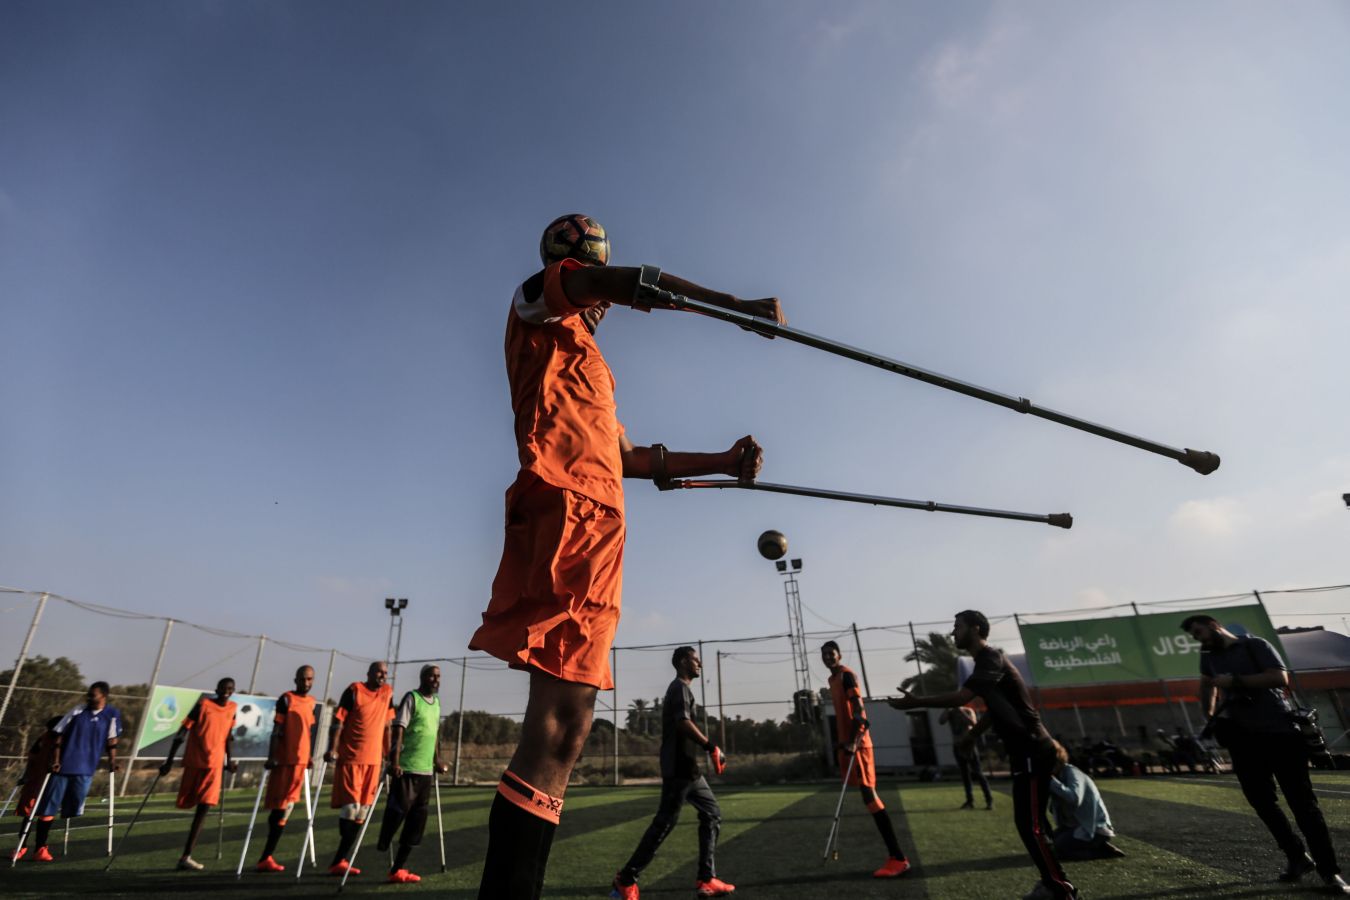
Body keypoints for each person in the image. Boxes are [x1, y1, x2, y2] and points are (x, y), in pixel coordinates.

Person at [468, 213, 784, 900]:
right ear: (570, 265)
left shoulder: (589, 357)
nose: (603, 297)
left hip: (602, 523)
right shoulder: (536, 304)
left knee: (569, 728)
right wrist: (728, 308)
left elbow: (628, 456)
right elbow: (623, 281)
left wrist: (726, 463)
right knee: (557, 726)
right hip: (566, 511)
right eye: (593, 276)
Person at [890, 610, 1078, 900]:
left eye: (957, 627)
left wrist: (917, 702)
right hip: (1025, 751)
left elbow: (962, 698)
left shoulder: (991, 657)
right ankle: (1052, 882)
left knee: (1032, 825)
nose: (953, 633)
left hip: (1031, 748)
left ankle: (1059, 888)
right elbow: (995, 710)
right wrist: (971, 735)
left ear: (975, 629)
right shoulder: (985, 664)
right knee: (1030, 824)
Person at [1182, 614, 1349, 893]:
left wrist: (1235, 681)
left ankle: (1330, 872)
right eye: (1194, 636)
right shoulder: (1208, 654)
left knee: (1303, 805)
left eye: (1199, 632)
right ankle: (1296, 856)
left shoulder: (1254, 646)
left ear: (1213, 626)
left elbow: (1278, 677)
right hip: (1243, 739)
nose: (1198, 639)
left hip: (1280, 733)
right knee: (1262, 803)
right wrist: (1209, 716)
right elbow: (1207, 684)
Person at [611, 646, 734, 899]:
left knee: (712, 813)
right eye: (694, 659)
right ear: (682, 662)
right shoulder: (678, 687)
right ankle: (626, 879)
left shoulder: (684, 690)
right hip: (678, 768)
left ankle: (706, 879)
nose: (699, 662)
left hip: (689, 769)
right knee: (665, 823)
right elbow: (682, 722)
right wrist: (711, 747)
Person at [820, 640, 911, 877]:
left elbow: (859, 711)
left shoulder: (846, 676)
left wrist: (853, 740)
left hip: (858, 746)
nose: (828, 657)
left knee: (870, 795)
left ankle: (898, 858)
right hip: (848, 745)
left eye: (831, 653)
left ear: (839, 655)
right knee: (867, 796)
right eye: (824, 654)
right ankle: (897, 857)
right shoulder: (832, 680)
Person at [29, 682, 123, 862]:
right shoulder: (78, 711)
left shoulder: (112, 714)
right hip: (63, 767)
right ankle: (40, 848)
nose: (88, 697)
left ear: (104, 696)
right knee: (49, 807)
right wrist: (56, 760)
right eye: (88, 694)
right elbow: (59, 733)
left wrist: (113, 761)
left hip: (86, 768)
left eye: (92, 695)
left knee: (74, 806)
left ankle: (50, 837)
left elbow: (112, 739)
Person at [376, 664, 450, 885]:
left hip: (426, 771)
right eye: (432, 676)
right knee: (397, 812)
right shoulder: (412, 698)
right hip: (407, 768)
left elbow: (434, 733)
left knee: (417, 822)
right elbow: (399, 730)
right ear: (423, 677)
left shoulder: (436, 703)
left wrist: (437, 760)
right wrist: (395, 761)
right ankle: (383, 841)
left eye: (438, 676)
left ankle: (398, 869)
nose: (436, 680)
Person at [160, 677, 239, 870]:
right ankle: (185, 856)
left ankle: (186, 856)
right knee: (190, 803)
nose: (226, 691)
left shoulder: (232, 709)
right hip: (195, 762)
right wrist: (169, 761)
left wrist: (229, 761)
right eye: (223, 688)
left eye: (230, 689)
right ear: (217, 689)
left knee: (204, 808)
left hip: (214, 767)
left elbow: (228, 736)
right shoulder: (203, 705)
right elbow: (182, 733)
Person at [323, 660, 394, 877]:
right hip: (352, 758)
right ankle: (340, 859)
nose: (382, 676)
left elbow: (388, 726)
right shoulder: (354, 691)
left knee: (362, 811)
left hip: (374, 761)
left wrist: (389, 754)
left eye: (385, 673)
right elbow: (339, 722)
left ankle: (340, 860)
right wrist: (332, 749)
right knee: (351, 809)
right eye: (378, 672)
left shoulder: (387, 693)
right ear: (369, 673)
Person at [255, 665, 317, 873]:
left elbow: (307, 731)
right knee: (279, 807)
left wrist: (308, 756)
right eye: (303, 679)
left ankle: (267, 856)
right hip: (284, 761)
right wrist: (272, 756)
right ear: (295, 679)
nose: (306, 683)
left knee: (286, 809)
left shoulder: (311, 702)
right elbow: (276, 730)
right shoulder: (286, 699)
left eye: (310, 679)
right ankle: (266, 855)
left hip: (300, 763)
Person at [1047, 740, 1124, 861]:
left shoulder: (1072, 772)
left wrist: (1051, 781)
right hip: (1076, 826)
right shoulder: (1059, 776)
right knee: (1049, 847)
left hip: (1093, 827)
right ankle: (1098, 846)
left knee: (1061, 851)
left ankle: (1100, 851)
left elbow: (1074, 798)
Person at [10, 715, 61, 861]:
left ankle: (40, 848)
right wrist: (26, 775)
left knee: (47, 813)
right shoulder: (44, 738)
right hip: (36, 780)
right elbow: (32, 757)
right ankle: (21, 846)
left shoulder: (68, 739)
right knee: (29, 813)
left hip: (53, 781)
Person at [939, 704, 993, 809]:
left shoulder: (968, 711)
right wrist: (947, 708)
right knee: (965, 775)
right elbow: (941, 721)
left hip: (969, 745)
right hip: (957, 746)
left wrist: (960, 711)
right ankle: (970, 801)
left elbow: (973, 724)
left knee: (978, 773)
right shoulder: (950, 713)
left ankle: (989, 800)